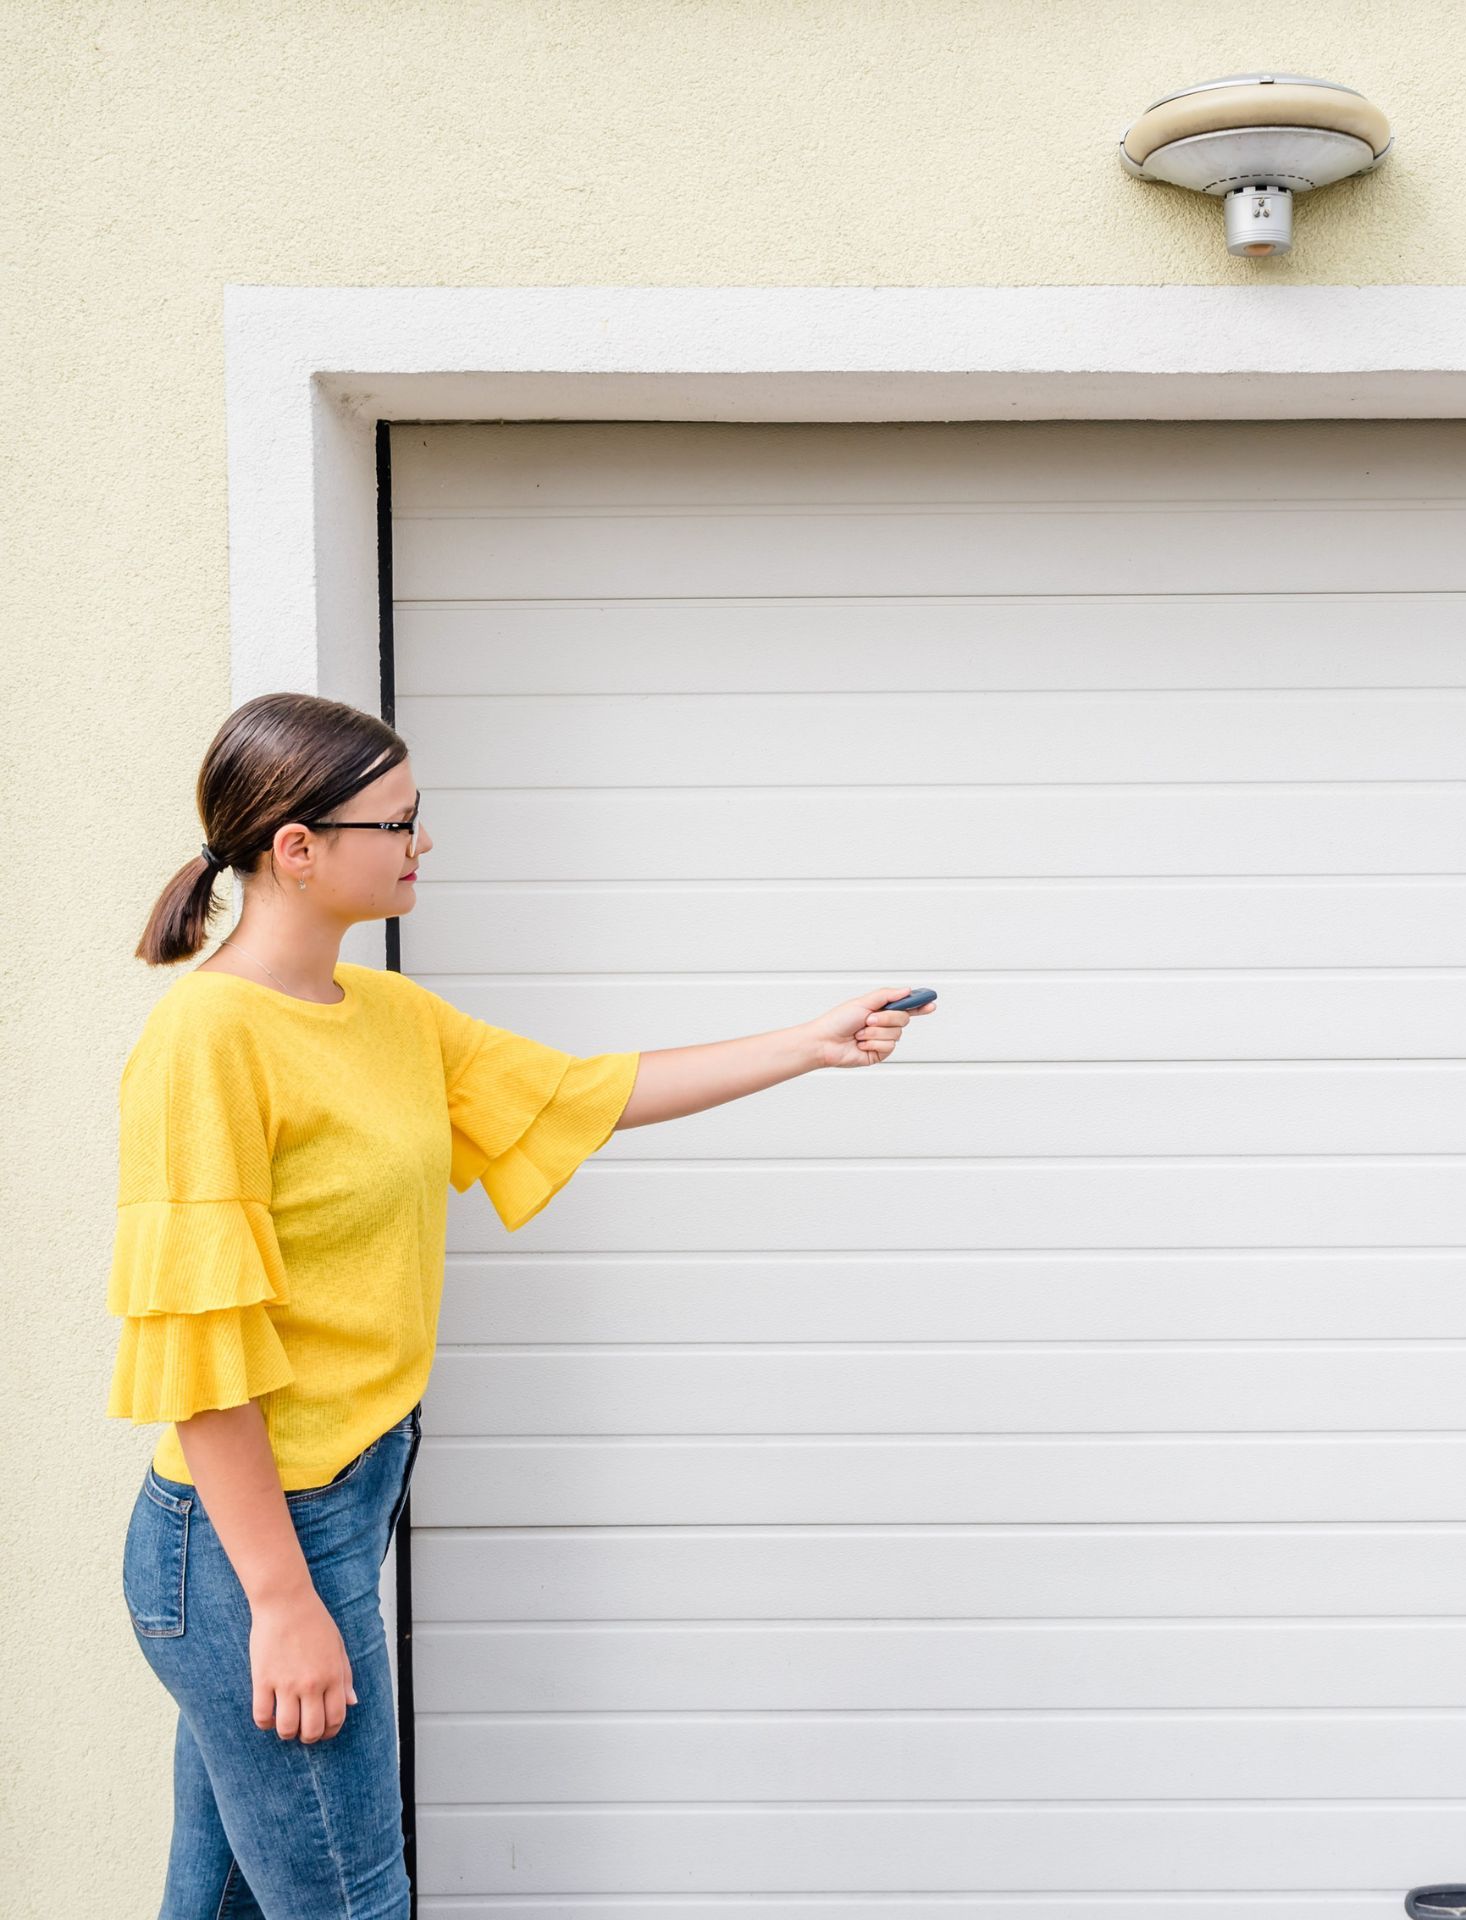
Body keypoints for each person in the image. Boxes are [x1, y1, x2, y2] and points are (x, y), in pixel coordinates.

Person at [109, 690, 935, 1918]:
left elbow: (573, 1095)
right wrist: (280, 1603)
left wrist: (804, 1044)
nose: (421, 844)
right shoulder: (207, 1042)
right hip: (250, 1547)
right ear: (297, 848)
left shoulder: (385, 1016)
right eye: (398, 821)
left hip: (331, 1509)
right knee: (351, 1900)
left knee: (224, 1896)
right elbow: (202, 1348)